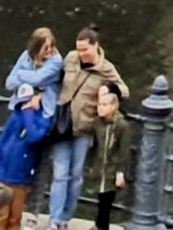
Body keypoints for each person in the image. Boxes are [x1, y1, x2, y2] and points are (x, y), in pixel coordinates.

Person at [48, 26, 128, 229]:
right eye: (78, 49)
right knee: (59, 174)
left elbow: (124, 91)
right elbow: (54, 78)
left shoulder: (106, 68)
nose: (81, 53)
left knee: (75, 177)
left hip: (84, 129)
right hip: (62, 126)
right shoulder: (70, 59)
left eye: (85, 49)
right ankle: (55, 220)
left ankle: (66, 216)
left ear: (96, 46)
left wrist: (109, 89)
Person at [0, 81, 54, 230]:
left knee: (15, 218)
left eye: (28, 101)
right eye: (23, 102)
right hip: (2, 176)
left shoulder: (42, 119)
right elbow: (0, 146)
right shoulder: (15, 117)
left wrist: (29, 112)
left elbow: (34, 137)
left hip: (21, 178)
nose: (25, 105)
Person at [81, 82, 135, 230]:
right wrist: (91, 165)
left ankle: (101, 226)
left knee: (106, 202)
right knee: (101, 199)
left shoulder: (122, 126)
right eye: (99, 104)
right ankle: (99, 225)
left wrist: (120, 172)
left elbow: (124, 151)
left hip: (112, 169)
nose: (100, 108)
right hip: (100, 167)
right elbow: (95, 146)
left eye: (104, 105)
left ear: (114, 107)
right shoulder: (98, 123)